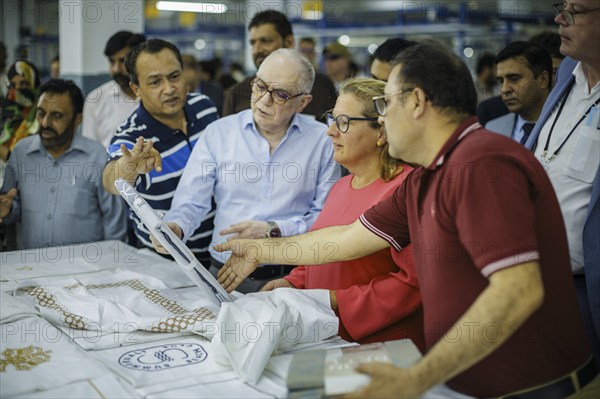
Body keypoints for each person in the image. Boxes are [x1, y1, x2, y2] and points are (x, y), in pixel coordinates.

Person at [216, 43, 597, 397]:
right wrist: (260, 249)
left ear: (416, 102)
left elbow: (518, 290)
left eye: (386, 103)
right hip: (467, 380)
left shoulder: (481, 164)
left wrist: (420, 375)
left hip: (530, 385)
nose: (383, 119)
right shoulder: (426, 176)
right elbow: (346, 238)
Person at [152, 49, 339, 293]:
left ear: (302, 102)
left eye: (280, 94)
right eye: (260, 86)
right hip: (225, 273)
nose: (263, 101)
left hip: (292, 278)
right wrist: (176, 227)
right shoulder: (219, 134)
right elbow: (191, 202)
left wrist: (274, 229)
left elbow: (326, 219)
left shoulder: (322, 142)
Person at [262, 77, 424, 348]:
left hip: (382, 346)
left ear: (381, 132)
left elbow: (412, 283)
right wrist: (293, 283)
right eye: (332, 119)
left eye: (344, 122)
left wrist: (334, 299)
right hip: (326, 334)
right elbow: (319, 256)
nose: (331, 132)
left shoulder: (406, 189)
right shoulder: (340, 187)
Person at [526, 0, 600, 368]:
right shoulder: (569, 71)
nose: (559, 18)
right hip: (535, 280)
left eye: (574, 12)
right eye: (561, 7)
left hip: (586, 292)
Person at [102, 39, 219, 264]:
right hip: (164, 262)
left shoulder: (205, 107)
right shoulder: (132, 138)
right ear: (136, 89)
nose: (169, 88)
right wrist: (129, 167)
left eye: (174, 76)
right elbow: (110, 180)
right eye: (155, 82)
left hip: (218, 254)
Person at [0, 79, 126, 249]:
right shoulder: (21, 153)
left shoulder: (97, 157)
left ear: (77, 119)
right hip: (31, 268)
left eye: (56, 116)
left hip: (86, 270)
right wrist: (7, 209)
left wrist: (112, 265)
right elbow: (12, 207)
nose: (45, 123)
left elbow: (114, 221)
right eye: (41, 113)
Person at [223, 10, 337, 123]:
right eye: (253, 43)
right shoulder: (236, 95)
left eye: (266, 41)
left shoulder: (322, 86)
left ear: (289, 42)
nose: (257, 49)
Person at [81, 31, 146, 148]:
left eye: (122, 61)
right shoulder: (96, 100)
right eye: (112, 62)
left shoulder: (155, 95)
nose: (116, 69)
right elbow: (90, 151)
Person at [486, 41, 552, 144]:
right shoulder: (492, 130)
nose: (504, 89)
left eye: (514, 79)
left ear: (543, 80)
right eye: (501, 81)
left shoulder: (567, 127)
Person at [0, 59, 41, 161]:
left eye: (24, 84)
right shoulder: (8, 115)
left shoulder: (43, 119)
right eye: (13, 86)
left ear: (34, 85)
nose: (17, 90)